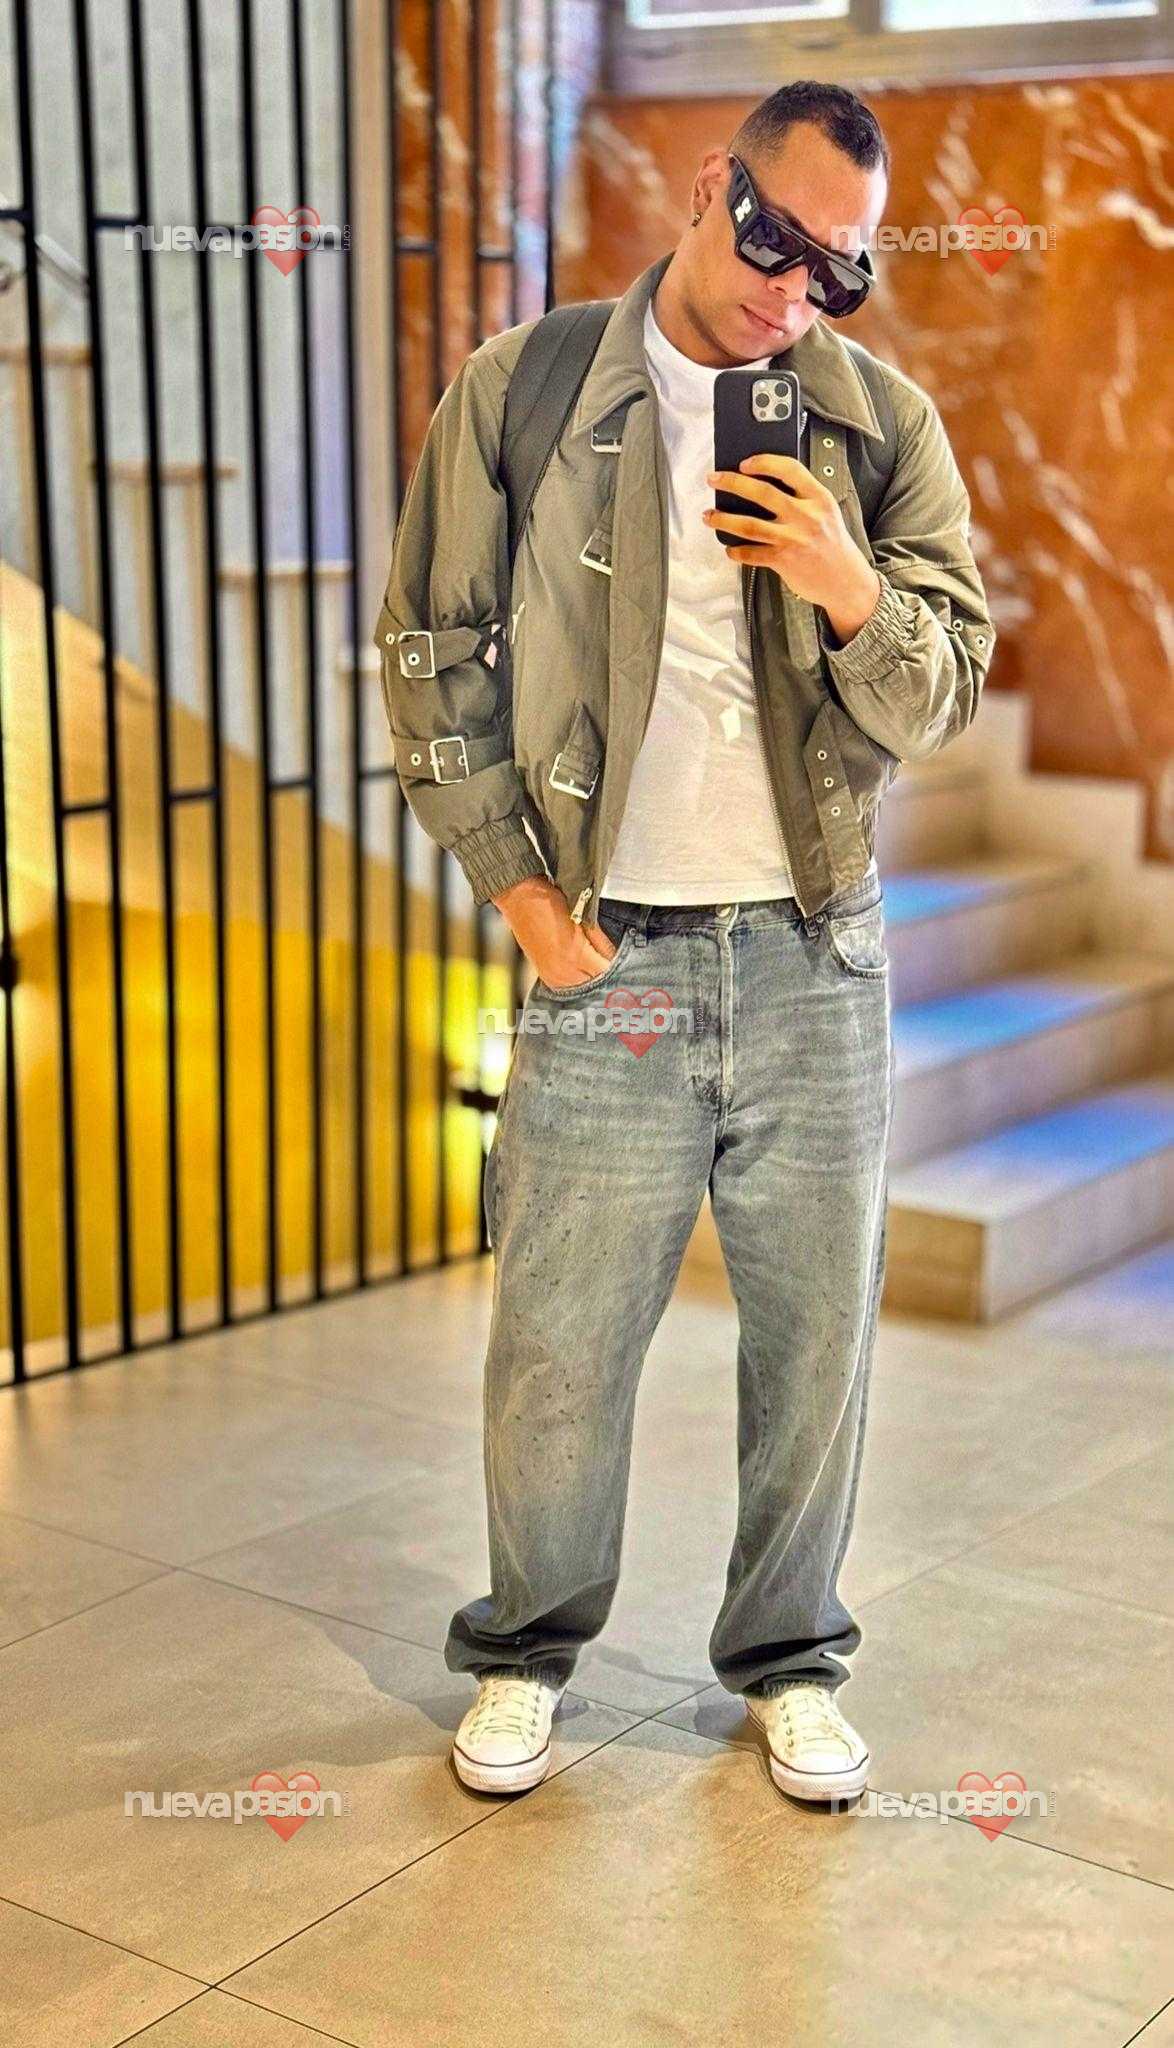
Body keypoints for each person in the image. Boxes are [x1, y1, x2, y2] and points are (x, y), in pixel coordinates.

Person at [376, 79, 996, 1804]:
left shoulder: (876, 425)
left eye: (837, 270)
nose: (792, 289)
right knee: (559, 1343)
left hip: (813, 955)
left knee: (815, 1345)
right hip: (607, 954)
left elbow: (945, 691)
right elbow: (431, 648)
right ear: (711, 184)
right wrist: (518, 896)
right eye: (773, 238)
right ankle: (524, 1649)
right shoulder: (526, 387)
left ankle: (788, 1660)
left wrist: (849, 584)